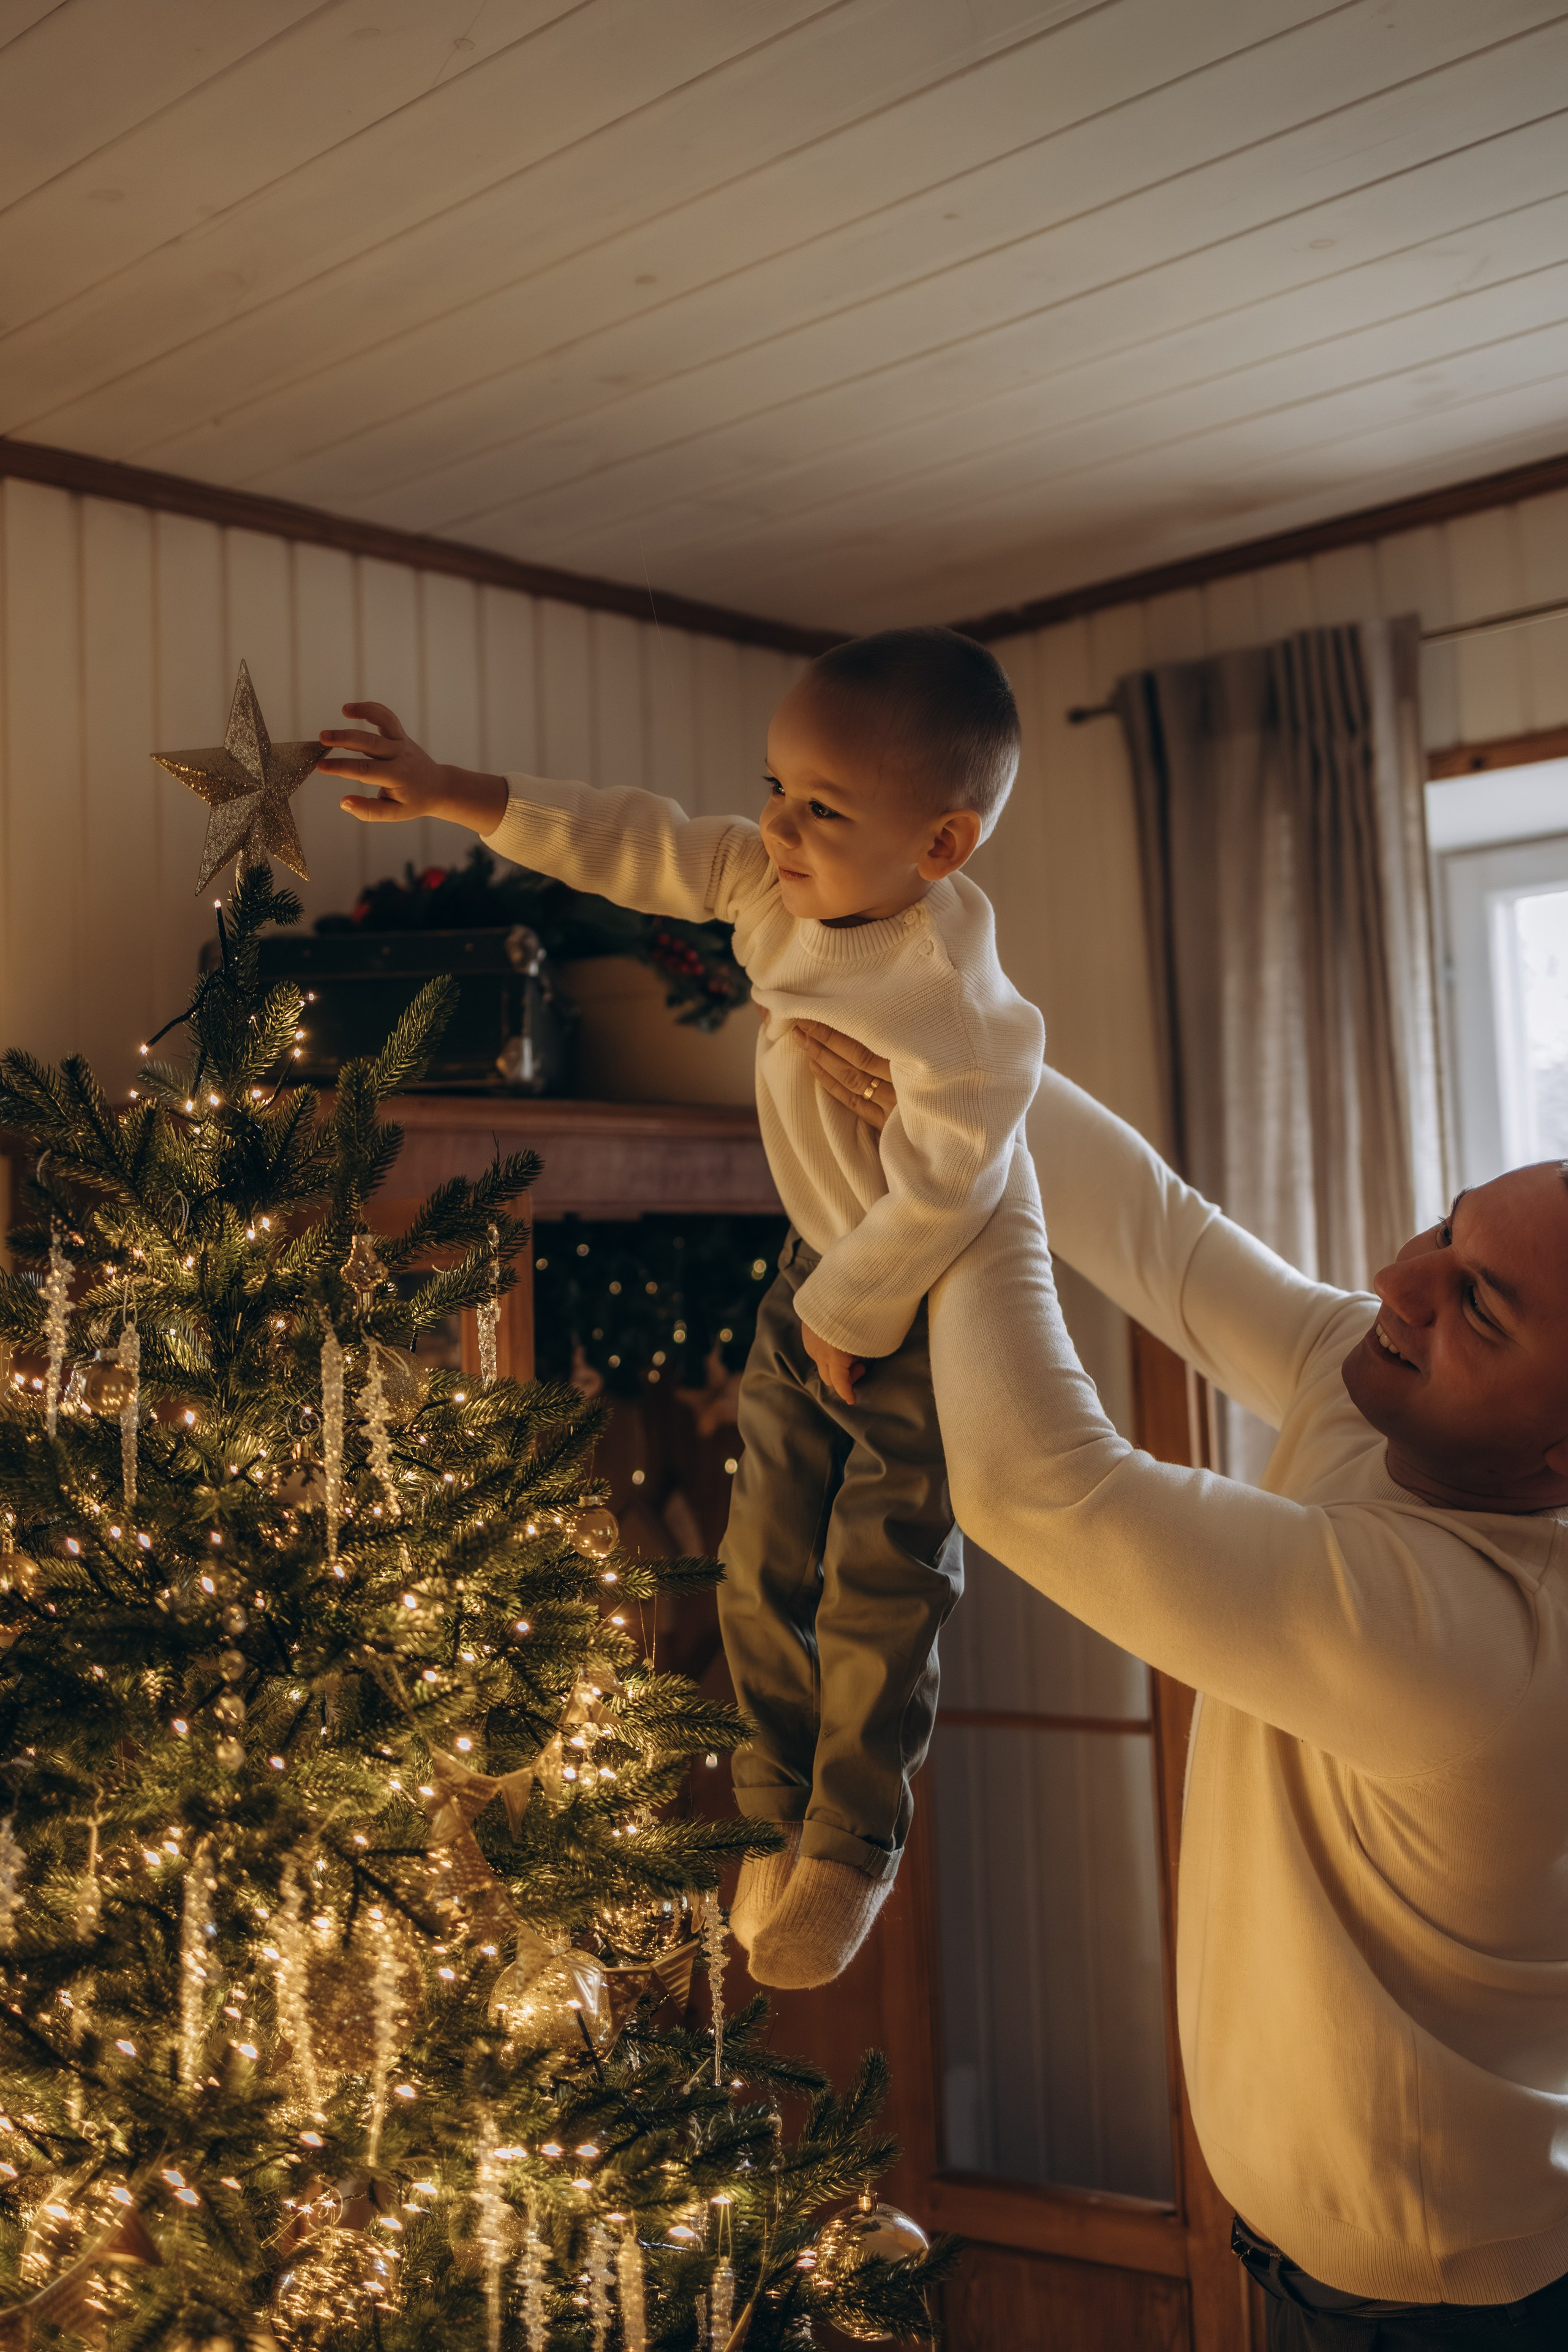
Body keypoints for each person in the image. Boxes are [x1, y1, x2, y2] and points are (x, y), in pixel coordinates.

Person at [799, 1021, 1568, 2348]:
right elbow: (1166, 1235)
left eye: (1479, 1305)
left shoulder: (1473, 1634)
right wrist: (952, 1039)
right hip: (1316, 2264)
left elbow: (1044, 1488)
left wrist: (955, 1177)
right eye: (1442, 1232)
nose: (1398, 1280)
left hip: (1442, 2313)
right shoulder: (1388, 1399)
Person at [313, 629, 1046, 1988]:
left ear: (939, 848)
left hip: (922, 1303)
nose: (774, 824)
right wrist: (446, 786)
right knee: (760, 1545)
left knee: (882, 1567)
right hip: (808, 1271)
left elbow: (953, 1184)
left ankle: (850, 1843)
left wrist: (853, 1306)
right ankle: (772, 1820)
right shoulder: (774, 888)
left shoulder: (963, 1010)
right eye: (773, 784)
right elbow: (627, 839)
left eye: (820, 809)